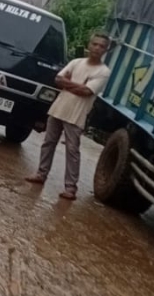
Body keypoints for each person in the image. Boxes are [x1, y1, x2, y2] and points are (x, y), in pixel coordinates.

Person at [25, 33, 112, 200]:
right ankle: (41, 174)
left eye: (101, 46)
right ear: (89, 44)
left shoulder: (103, 72)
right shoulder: (76, 62)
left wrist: (69, 84)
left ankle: (70, 188)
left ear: (106, 50)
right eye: (95, 44)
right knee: (48, 143)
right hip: (58, 108)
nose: (97, 48)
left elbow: (87, 91)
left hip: (76, 114)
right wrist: (77, 86)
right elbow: (58, 79)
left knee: (72, 151)